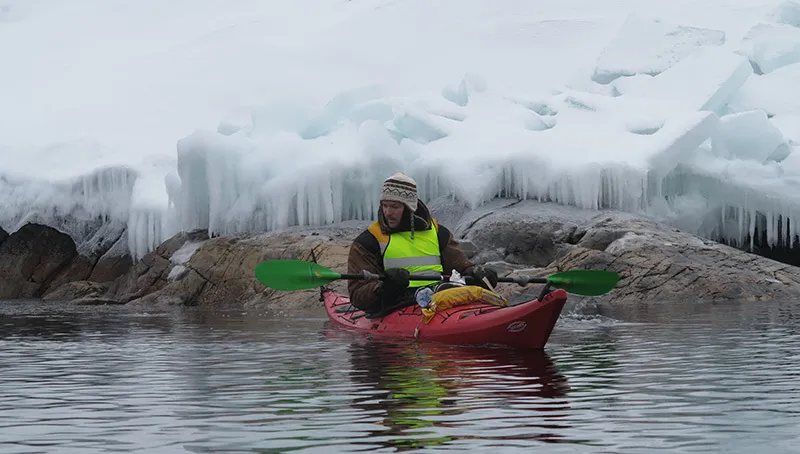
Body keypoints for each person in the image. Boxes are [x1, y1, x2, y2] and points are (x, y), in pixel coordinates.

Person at [347, 172, 498, 317]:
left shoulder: (438, 233)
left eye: (394, 207)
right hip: (394, 304)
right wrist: (384, 286)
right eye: (384, 206)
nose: (387, 212)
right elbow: (357, 295)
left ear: (409, 208)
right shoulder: (368, 241)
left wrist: (477, 273)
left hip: (439, 297)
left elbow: (462, 268)